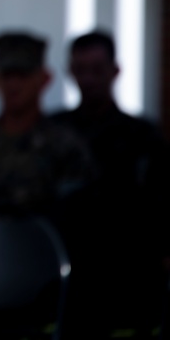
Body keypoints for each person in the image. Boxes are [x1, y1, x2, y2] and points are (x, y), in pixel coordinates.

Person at [49, 30, 170, 338]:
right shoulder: (53, 133)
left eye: (97, 70)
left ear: (115, 71)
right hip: (63, 267)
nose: (88, 79)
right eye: (81, 70)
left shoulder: (143, 137)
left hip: (127, 270)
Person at [0, 32, 95, 219]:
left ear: (44, 79)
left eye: (23, 75)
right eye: (7, 75)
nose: (14, 84)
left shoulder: (65, 148)